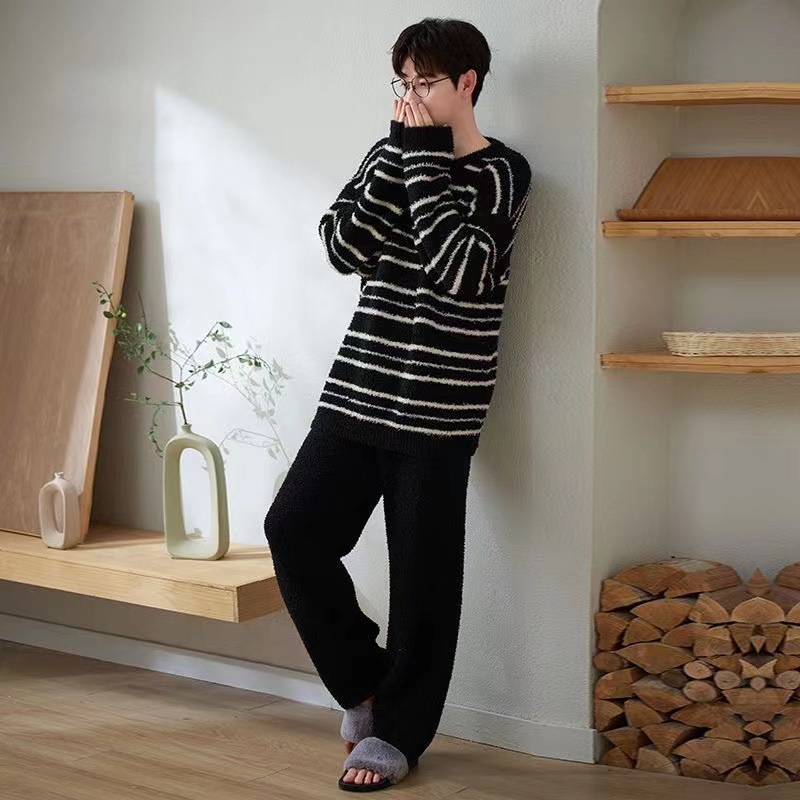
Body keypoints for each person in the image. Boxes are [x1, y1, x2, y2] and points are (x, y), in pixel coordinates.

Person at [263, 16, 532, 792]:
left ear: (467, 84)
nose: (411, 97)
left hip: (439, 413)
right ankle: (364, 689)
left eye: (426, 83)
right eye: (403, 82)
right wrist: (401, 159)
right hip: (358, 393)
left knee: (423, 585)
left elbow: (460, 270)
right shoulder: (387, 156)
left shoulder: (503, 173)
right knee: (294, 531)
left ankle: (400, 736)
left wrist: (422, 162)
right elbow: (342, 246)